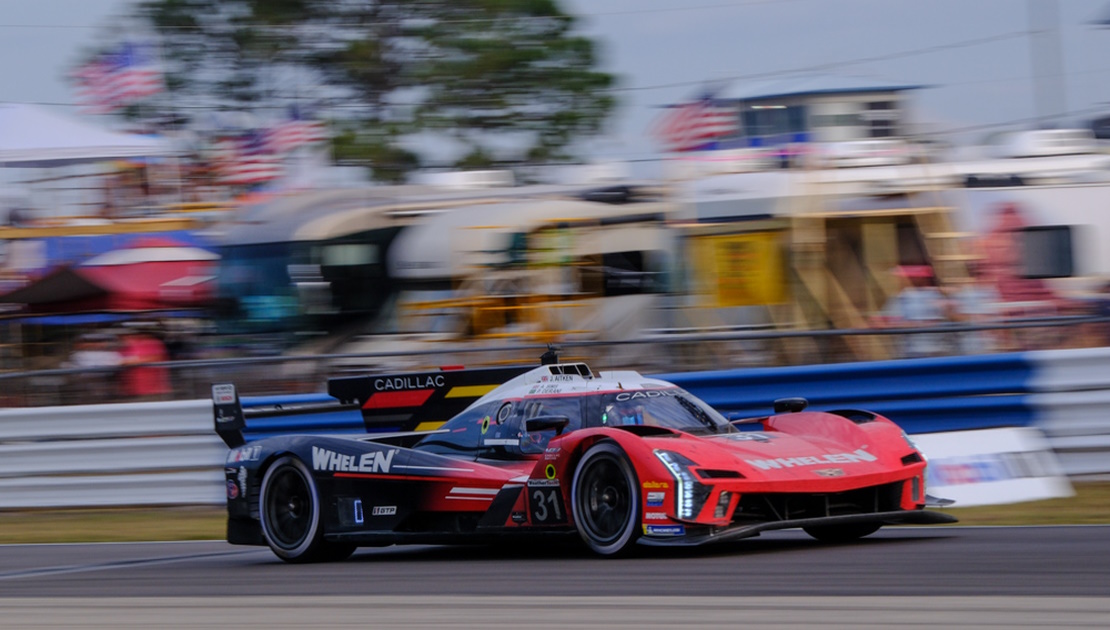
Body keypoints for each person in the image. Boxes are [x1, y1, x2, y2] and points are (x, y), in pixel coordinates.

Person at [878, 265, 950, 358]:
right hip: (908, 351)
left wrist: (891, 324)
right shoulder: (899, 297)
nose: (894, 281)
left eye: (899, 278)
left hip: (930, 351)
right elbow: (885, 320)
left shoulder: (930, 296)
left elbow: (931, 323)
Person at [118, 325, 172, 401]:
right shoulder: (127, 347)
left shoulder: (152, 343)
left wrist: (130, 361)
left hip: (153, 389)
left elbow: (156, 357)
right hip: (135, 389)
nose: (123, 339)